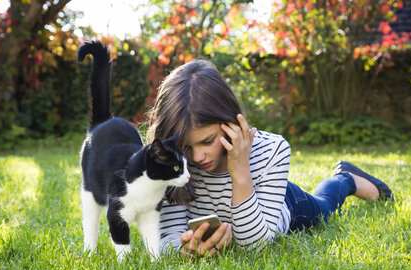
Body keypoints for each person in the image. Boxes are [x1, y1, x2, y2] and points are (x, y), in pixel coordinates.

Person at [146, 59, 393, 258]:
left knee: (326, 207)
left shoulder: (272, 149)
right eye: (185, 147)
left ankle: (346, 178)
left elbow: (254, 247)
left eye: (207, 141)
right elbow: (166, 238)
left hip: (282, 203)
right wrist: (184, 251)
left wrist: (240, 169)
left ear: (230, 122)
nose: (197, 157)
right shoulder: (171, 165)